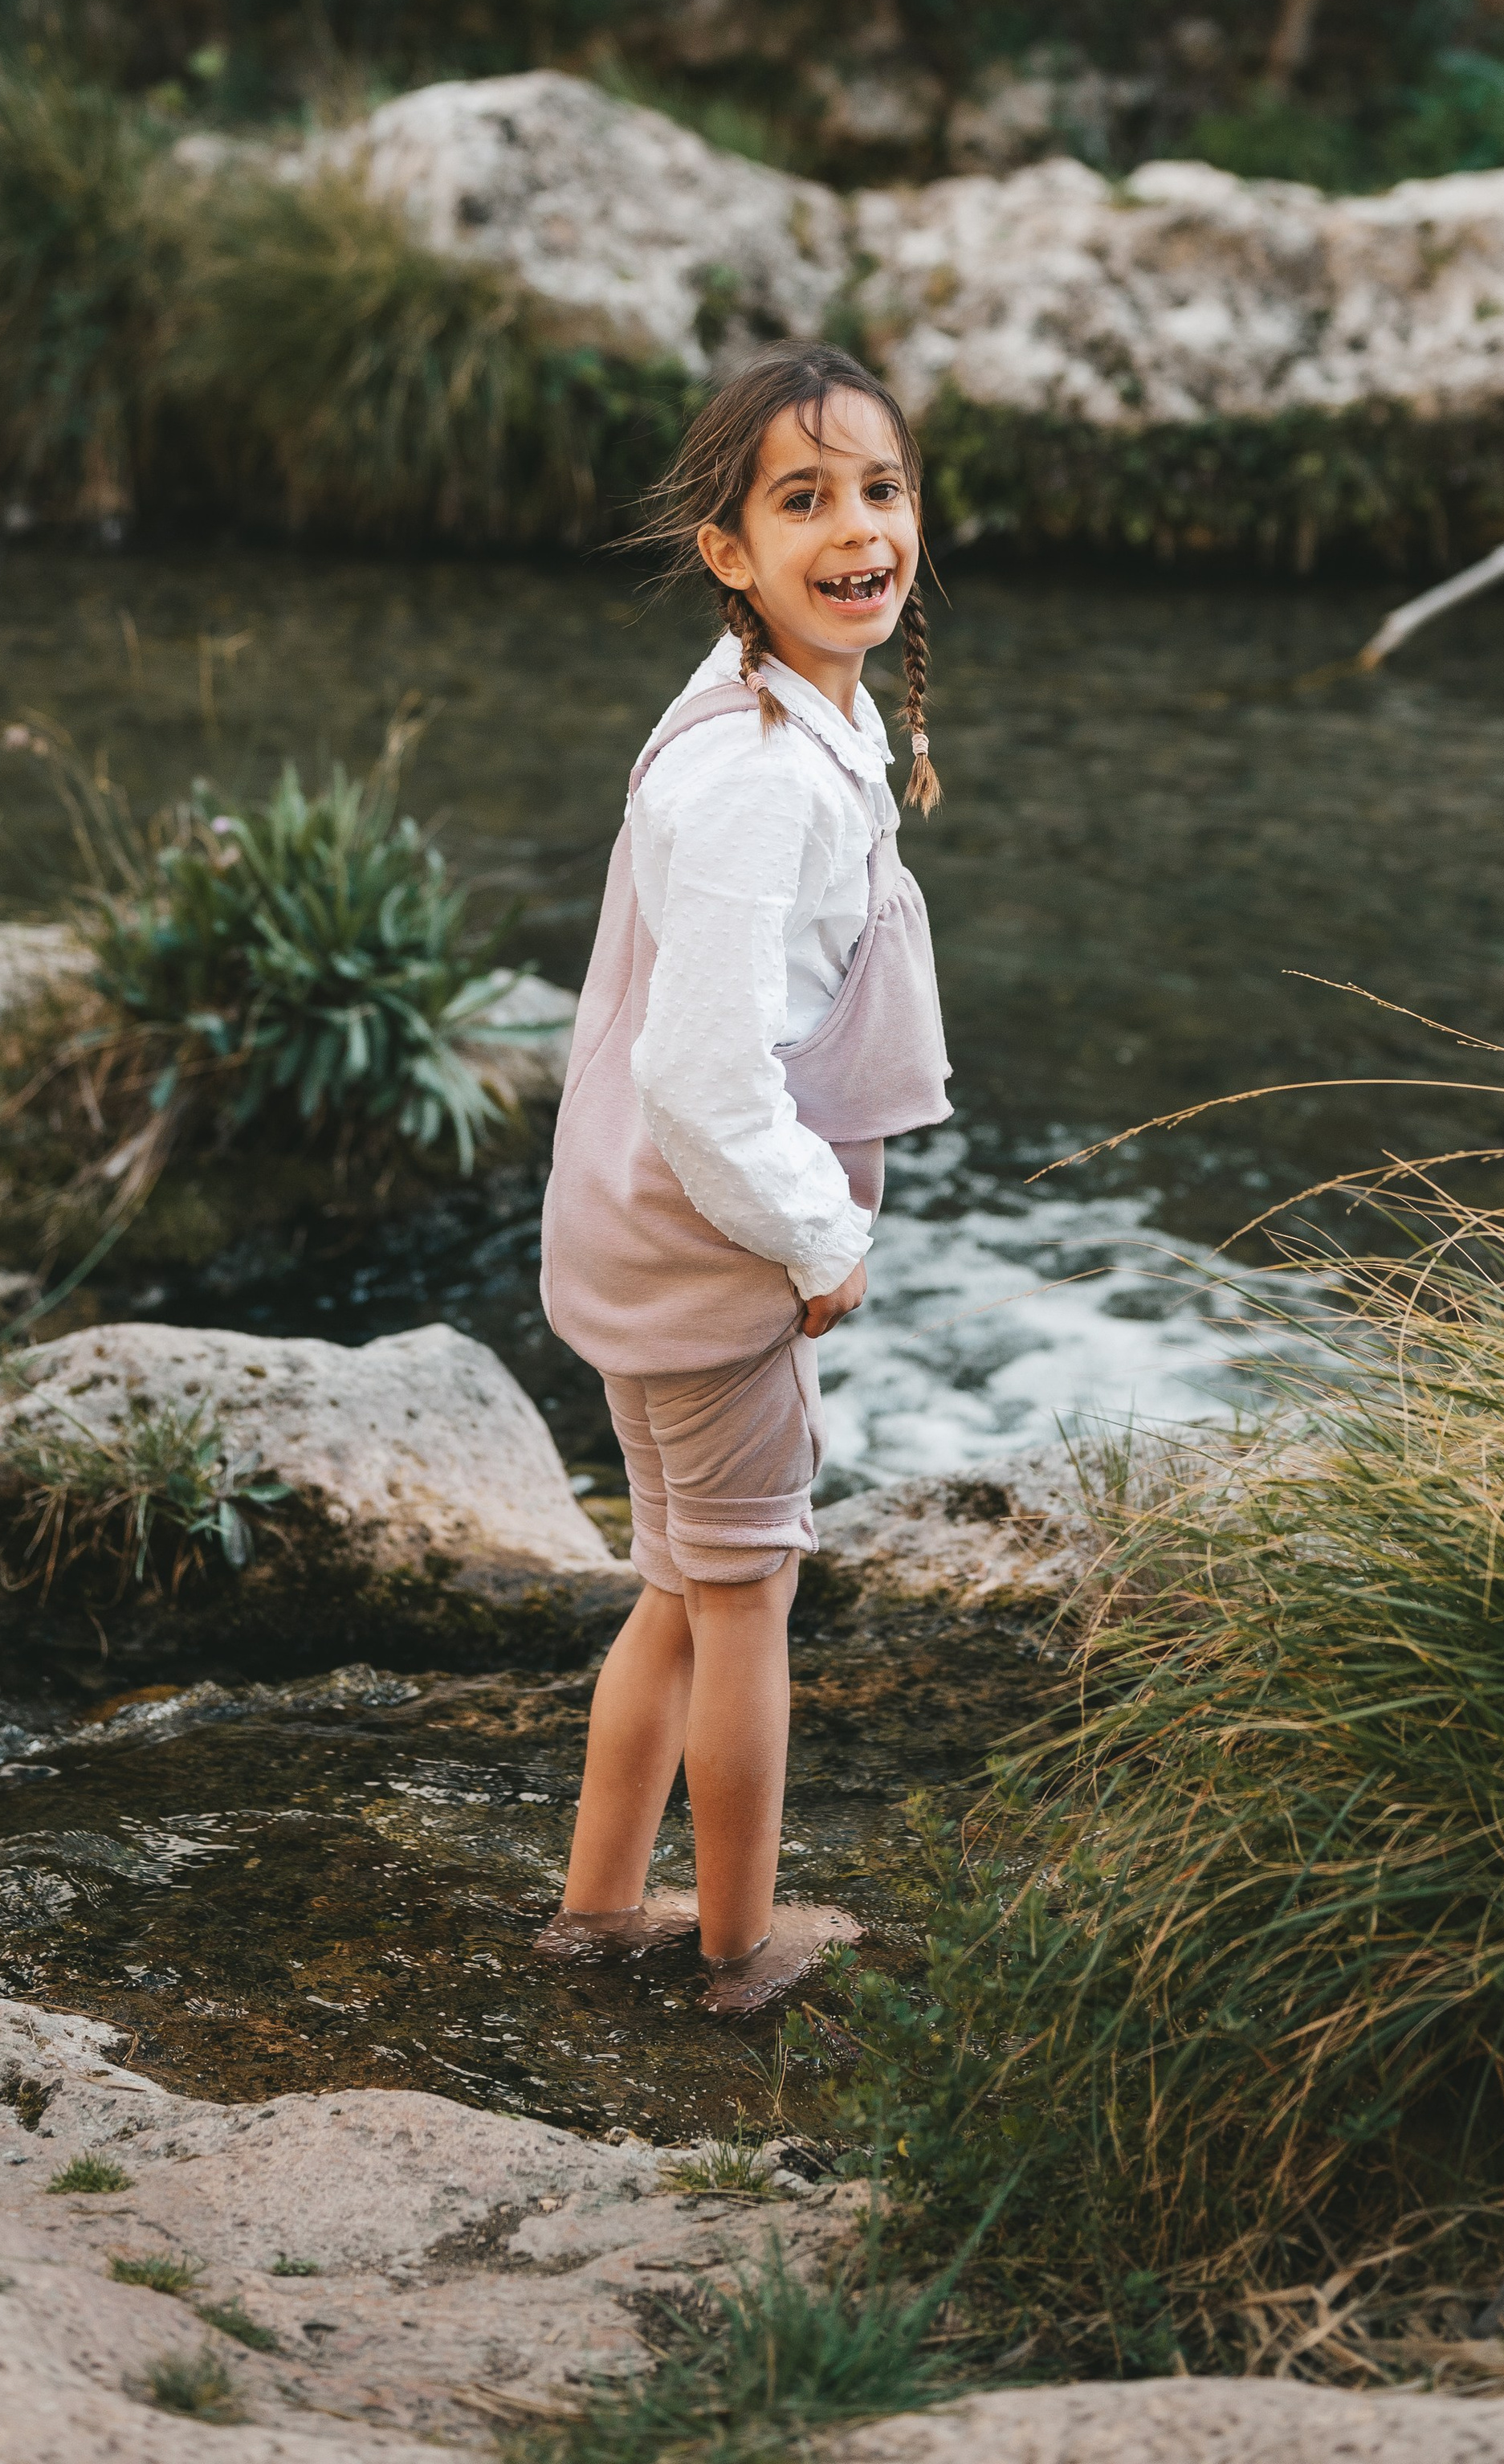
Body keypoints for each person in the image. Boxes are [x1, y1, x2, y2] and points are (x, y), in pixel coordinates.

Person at [534, 341, 951, 2015]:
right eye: (803, 500)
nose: (857, 530)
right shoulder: (762, 779)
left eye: (880, 488)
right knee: (746, 1603)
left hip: (632, 1237)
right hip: (707, 1258)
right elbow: (702, 1076)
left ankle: (595, 1905)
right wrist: (815, 1236)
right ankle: (730, 1949)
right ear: (727, 550)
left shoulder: (758, 708)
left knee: (676, 1583)